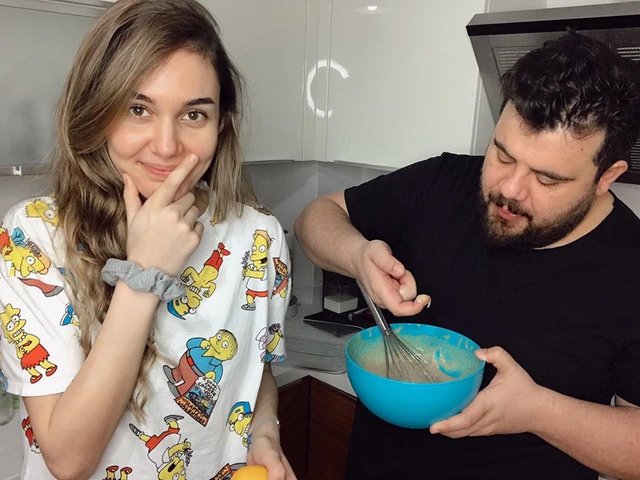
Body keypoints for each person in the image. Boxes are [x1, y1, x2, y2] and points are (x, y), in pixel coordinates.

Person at [294, 32, 640, 480]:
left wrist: (540, 411)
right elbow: (316, 217)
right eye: (503, 155)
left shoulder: (630, 268)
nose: (509, 189)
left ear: (606, 177)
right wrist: (357, 254)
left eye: (547, 179)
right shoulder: (442, 182)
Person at [0, 1, 295, 479]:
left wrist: (265, 430)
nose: (166, 146)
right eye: (138, 109)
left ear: (220, 123)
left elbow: (254, 370)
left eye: (194, 114)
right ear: (96, 112)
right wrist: (144, 276)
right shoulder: (33, 237)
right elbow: (68, 460)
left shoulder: (259, 237)